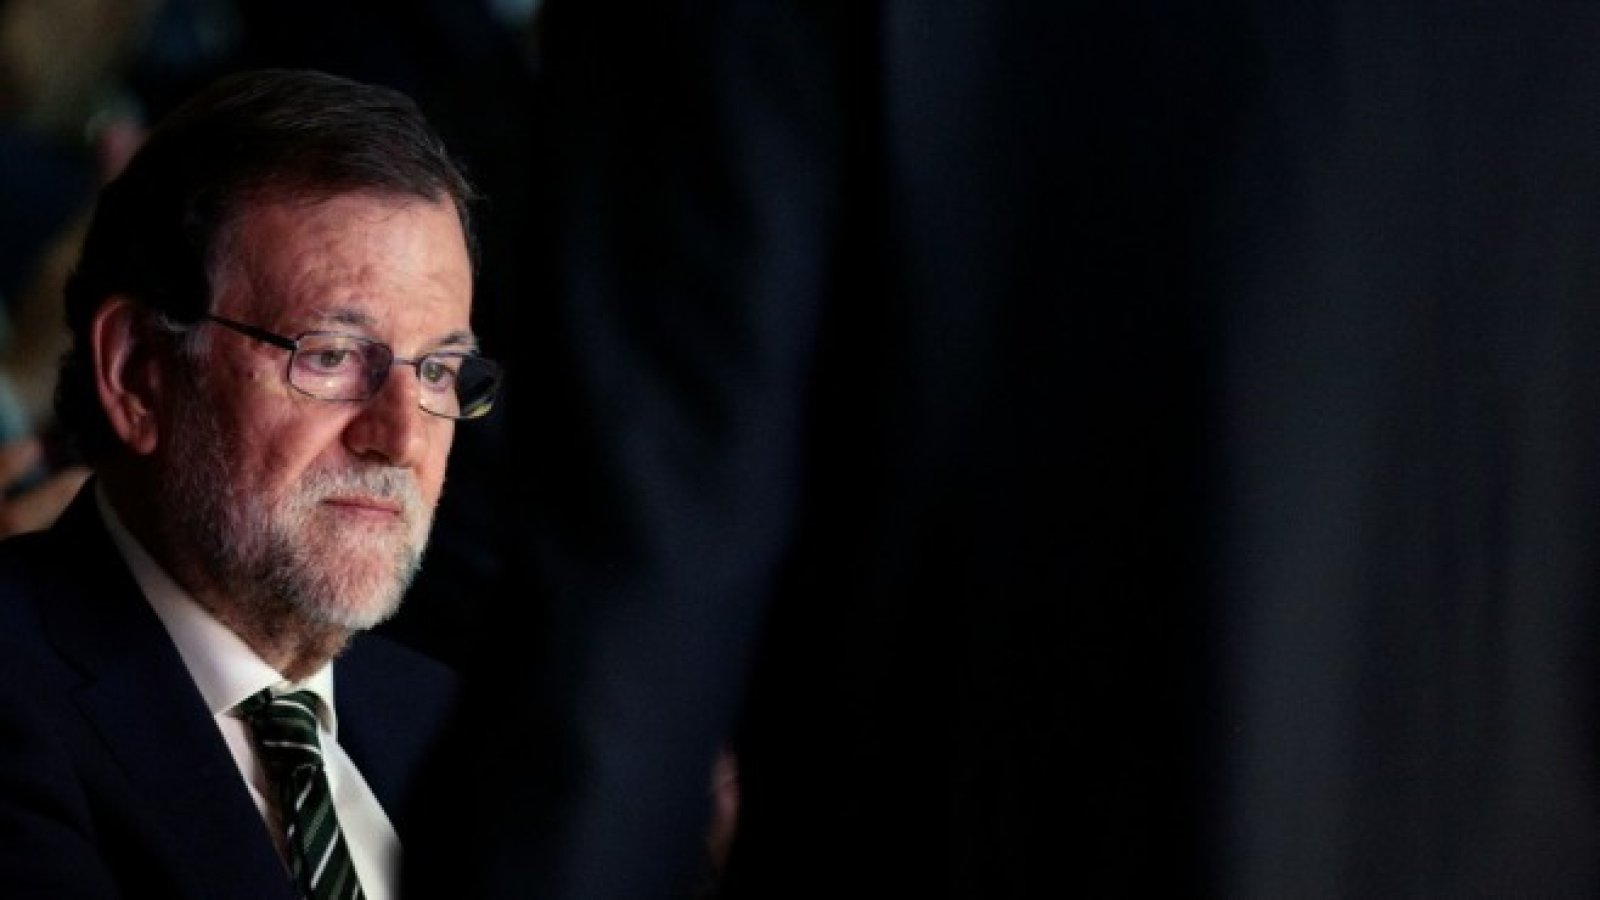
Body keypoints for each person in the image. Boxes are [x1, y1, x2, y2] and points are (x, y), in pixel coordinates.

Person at [0, 68, 500, 899]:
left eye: (439, 370)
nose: (402, 438)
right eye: (332, 356)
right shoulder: (19, 696)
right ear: (137, 373)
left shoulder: (462, 729)